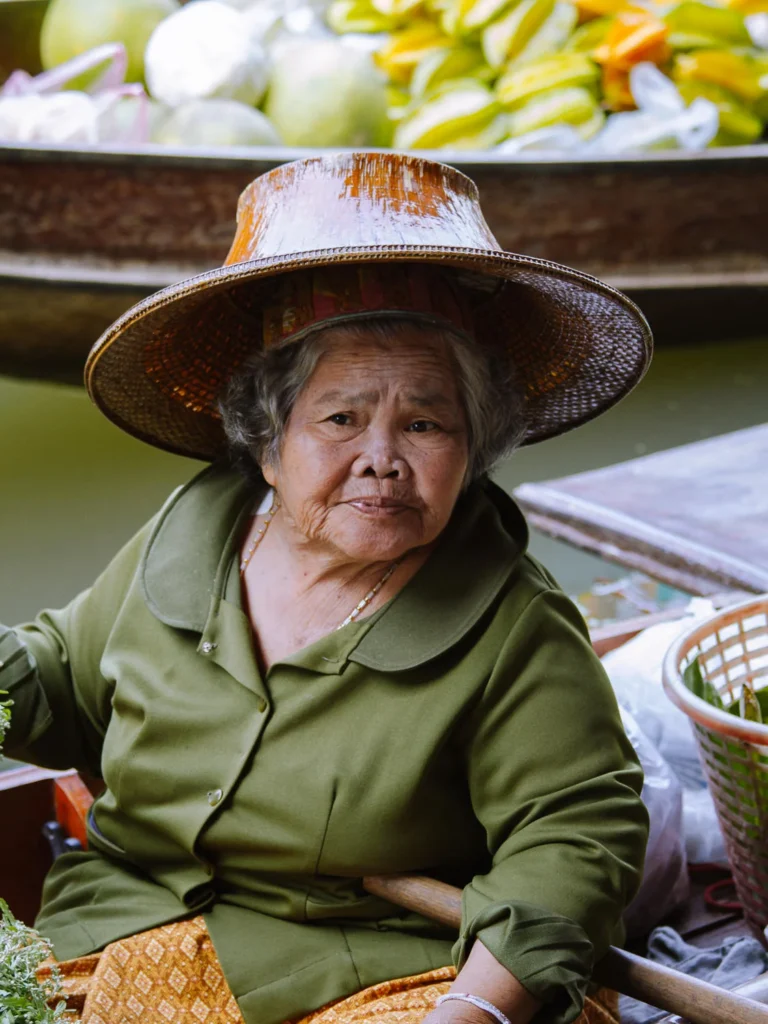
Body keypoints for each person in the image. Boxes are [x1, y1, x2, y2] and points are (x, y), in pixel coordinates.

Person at [1, 152, 650, 1024]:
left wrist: (477, 1012)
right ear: (268, 442)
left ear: (473, 450)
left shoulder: (514, 623)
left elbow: (576, 838)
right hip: (118, 934)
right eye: (340, 418)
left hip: (366, 973)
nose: (381, 459)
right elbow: (58, 689)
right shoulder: (192, 535)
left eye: (425, 422)